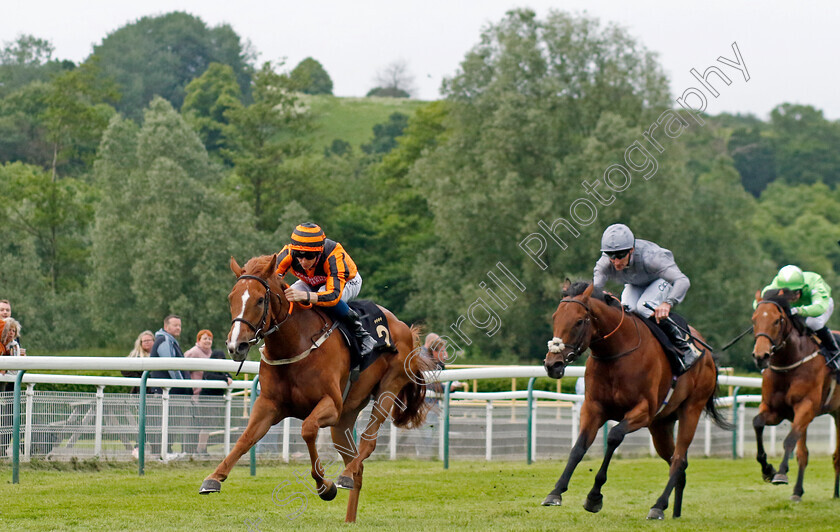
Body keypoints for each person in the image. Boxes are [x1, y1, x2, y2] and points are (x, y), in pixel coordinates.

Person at [593, 223, 699, 371]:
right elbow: (595, 290)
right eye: (611, 256)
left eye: (620, 256)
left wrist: (667, 303)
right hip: (635, 283)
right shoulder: (604, 263)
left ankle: (685, 347)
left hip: (661, 280)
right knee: (626, 311)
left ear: (631, 250)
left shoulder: (652, 258)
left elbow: (682, 281)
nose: (616, 262)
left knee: (643, 308)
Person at [275, 222, 376, 358]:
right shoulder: (287, 254)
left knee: (322, 301)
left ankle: (361, 334)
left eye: (309, 256)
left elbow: (332, 296)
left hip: (347, 282)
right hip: (312, 281)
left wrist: (305, 296)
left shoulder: (334, 255)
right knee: (286, 299)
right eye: (299, 255)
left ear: (319, 251)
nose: (303, 262)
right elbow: (270, 280)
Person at [756, 264, 840, 372]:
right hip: (795, 309)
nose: (792, 297)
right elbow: (758, 304)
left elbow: (820, 308)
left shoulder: (815, 283)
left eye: (795, 292)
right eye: (787, 293)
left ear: (802, 287)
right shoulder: (774, 285)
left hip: (819, 305)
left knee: (813, 323)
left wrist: (798, 310)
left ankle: (834, 353)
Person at [195, 350, 234, 457]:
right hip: (207, 401)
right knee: (206, 425)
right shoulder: (210, 369)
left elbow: (229, 376)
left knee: (209, 426)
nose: (220, 361)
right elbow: (209, 377)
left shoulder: (223, 370)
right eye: (218, 359)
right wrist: (225, 379)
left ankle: (202, 449)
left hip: (216, 401)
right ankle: (200, 449)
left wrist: (226, 377)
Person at [184, 329, 214, 397]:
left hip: (207, 392)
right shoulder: (194, 352)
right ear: (198, 340)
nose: (208, 341)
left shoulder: (211, 354)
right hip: (195, 392)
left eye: (210, 339)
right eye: (205, 339)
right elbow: (183, 369)